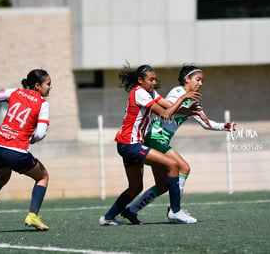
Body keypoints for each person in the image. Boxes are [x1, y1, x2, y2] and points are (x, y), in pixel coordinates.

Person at [121, 64, 235, 225]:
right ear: (186, 79)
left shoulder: (192, 98)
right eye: (198, 79)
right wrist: (187, 106)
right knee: (184, 167)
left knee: (162, 185)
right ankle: (175, 210)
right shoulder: (177, 92)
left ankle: (132, 210)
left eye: (202, 81)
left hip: (161, 139)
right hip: (155, 136)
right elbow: (168, 110)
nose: (200, 83)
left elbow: (205, 123)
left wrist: (224, 126)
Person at [99, 64, 202, 226]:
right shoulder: (140, 92)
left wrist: (191, 112)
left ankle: (108, 217)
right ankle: (175, 211)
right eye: (151, 79)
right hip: (130, 145)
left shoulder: (149, 92)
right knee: (173, 166)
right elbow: (166, 114)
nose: (154, 82)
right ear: (140, 80)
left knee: (135, 187)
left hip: (128, 144)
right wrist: (183, 98)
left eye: (155, 79)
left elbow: (169, 106)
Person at [0, 69, 52, 231]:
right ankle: (33, 216)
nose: (51, 87)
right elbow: (41, 133)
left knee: (2, 177)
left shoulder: (14, 92)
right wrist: (32, 140)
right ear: (37, 86)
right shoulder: (43, 104)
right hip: (16, 151)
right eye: (48, 84)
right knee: (43, 176)